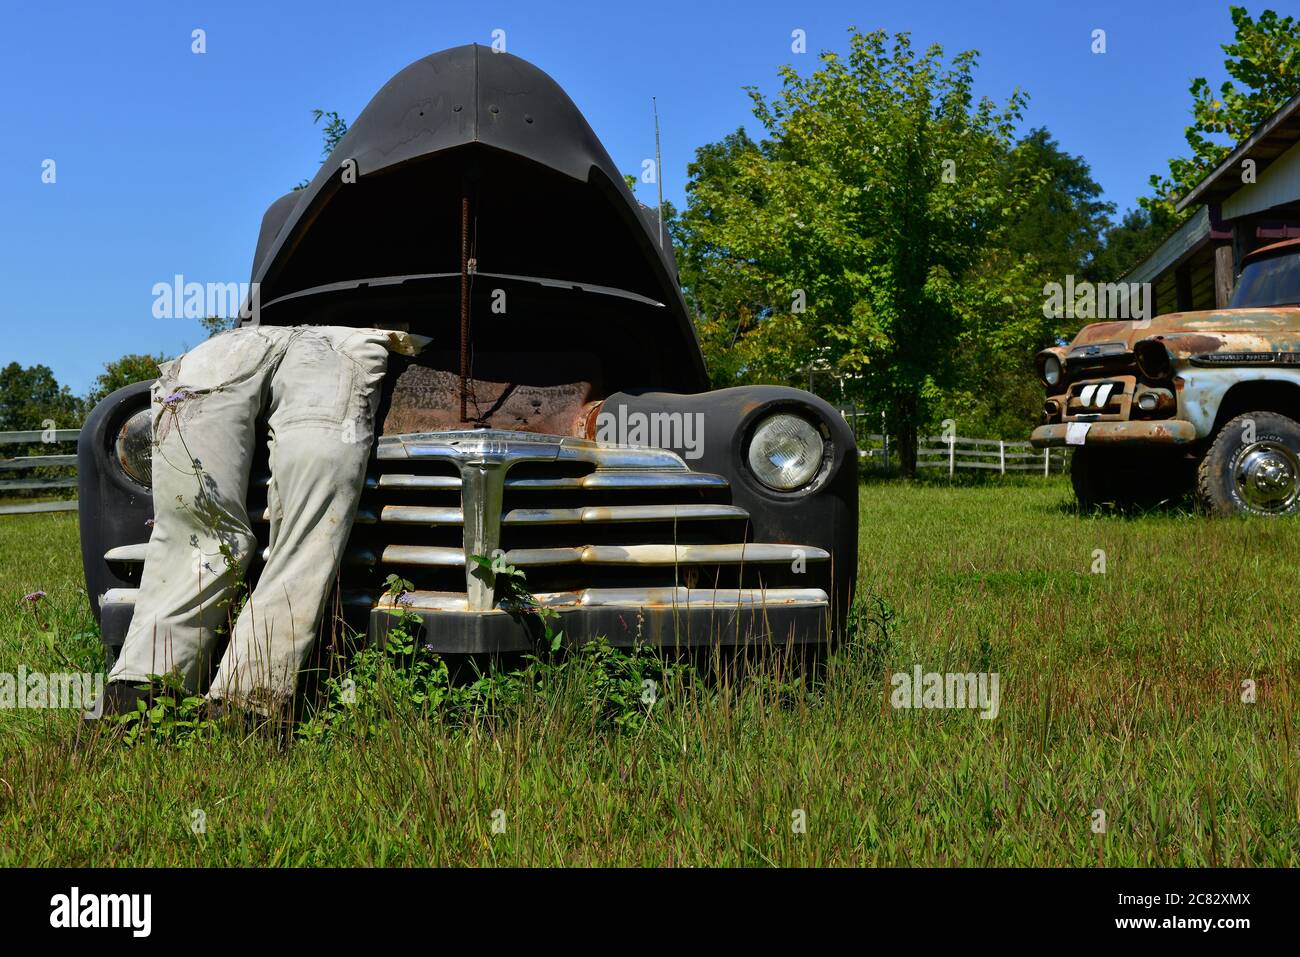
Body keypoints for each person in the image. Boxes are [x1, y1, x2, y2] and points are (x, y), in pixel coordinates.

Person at [94, 324, 426, 722]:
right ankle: (246, 698)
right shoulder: (345, 343)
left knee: (195, 529)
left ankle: (138, 692)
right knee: (307, 530)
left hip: (231, 347)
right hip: (334, 349)